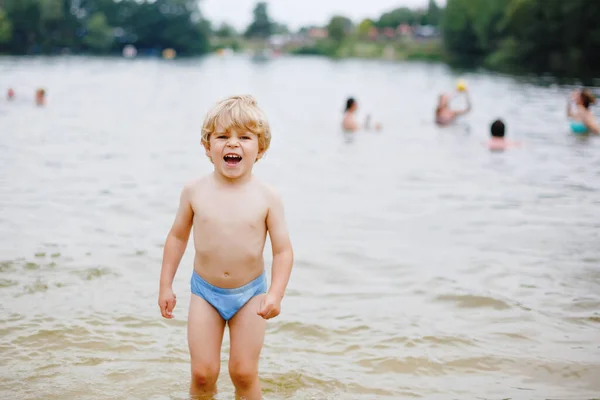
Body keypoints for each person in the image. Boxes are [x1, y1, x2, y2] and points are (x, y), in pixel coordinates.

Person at [158, 95, 294, 399]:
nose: (232, 144)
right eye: (222, 137)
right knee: (202, 374)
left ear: (260, 149)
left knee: (244, 373)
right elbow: (177, 237)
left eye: (244, 137)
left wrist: (275, 293)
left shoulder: (268, 197)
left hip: (251, 295)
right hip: (205, 292)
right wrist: (165, 285)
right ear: (208, 147)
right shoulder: (194, 191)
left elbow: (283, 250)